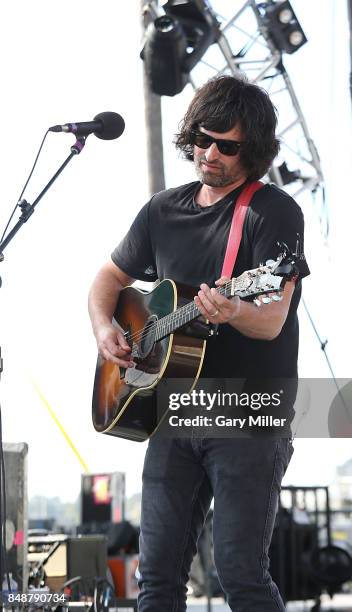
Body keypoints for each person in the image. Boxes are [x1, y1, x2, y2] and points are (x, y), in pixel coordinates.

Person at [88, 74, 309, 611]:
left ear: (251, 150)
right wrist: (104, 329)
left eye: (226, 146)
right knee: (156, 579)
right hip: (173, 411)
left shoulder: (273, 212)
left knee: (240, 574)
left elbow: (273, 319)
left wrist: (233, 310)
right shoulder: (163, 210)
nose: (209, 153)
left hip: (247, 413)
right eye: (203, 139)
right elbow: (107, 280)